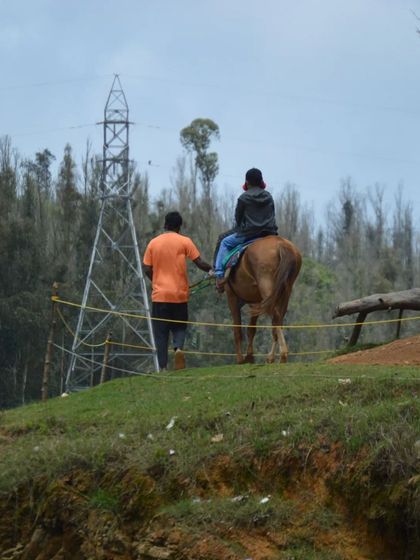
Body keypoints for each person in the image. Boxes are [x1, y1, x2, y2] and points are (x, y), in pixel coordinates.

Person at [143, 211, 212, 371]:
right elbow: (199, 262)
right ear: (179, 227)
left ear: (165, 224)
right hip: (180, 295)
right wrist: (211, 270)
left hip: (160, 296)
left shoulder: (153, 243)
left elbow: (146, 267)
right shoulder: (185, 241)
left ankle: (163, 367)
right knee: (179, 327)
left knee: (161, 334)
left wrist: (156, 281)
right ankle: (178, 348)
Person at [214, 168, 278, 292]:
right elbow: (272, 216)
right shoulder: (269, 196)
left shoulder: (243, 198)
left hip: (248, 234)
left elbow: (238, 219)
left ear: (247, 183)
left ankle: (219, 276)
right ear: (261, 182)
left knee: (224, 242)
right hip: (269, 234)